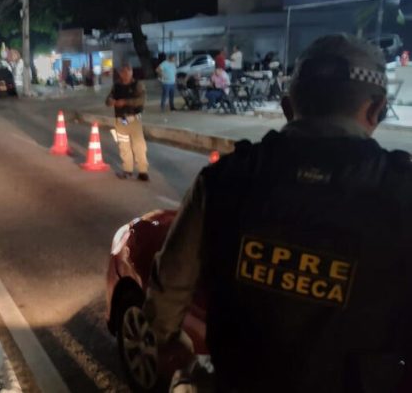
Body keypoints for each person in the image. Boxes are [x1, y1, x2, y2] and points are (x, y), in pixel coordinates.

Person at [143, 34, 412, 392]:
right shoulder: (401, 192)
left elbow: (169, 286)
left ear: (288, 107)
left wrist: (170, 348)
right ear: (376, 109)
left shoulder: (225, 178)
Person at [106, 64, 149, 181]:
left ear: (131, 72)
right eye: (123, 72)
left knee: (139, 146)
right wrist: (111, 101)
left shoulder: (137, 85)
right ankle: (128, 170)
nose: (125, 74)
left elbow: (141, 100)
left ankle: (142, 171)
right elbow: (108, 99)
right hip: (120, 121)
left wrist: (125, 102)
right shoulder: (117, 86)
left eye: (127, 72)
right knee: (124, 146)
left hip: (134, 120)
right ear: (120, 73)